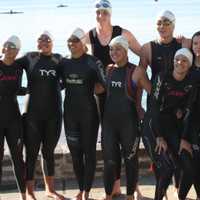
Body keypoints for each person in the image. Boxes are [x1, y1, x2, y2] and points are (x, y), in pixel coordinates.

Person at [84, 0, 142, 197]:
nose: (101, 16)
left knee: (129, 149)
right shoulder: (90, 35)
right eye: (98, 12)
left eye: (104, 12)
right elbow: (75, 51)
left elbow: (143, 53)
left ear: (110, 14)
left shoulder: (122, 33)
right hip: (103, 97)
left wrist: (137, 78)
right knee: (110, 149)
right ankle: (114, 189)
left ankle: (134, 191)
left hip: (125, 97)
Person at [139, 10, 191, 197]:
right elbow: (137, 74)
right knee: (163, 162)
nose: (162, 27)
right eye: (159, 23)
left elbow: (192, 67)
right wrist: (146, 99)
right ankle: (162, 193)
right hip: (157, 111)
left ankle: (177, 191)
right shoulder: (148, 48)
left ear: (174, 25)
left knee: (178, 159)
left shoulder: (183, 43)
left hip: (174, 113)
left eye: (167, 23)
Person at [142, 48, 195, 200]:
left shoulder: (191, 83)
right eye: (178, 59)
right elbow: (153, 106)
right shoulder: (162, 78)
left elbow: (188, 111)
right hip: (153, 125)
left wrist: (184, 138)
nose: (180, 62)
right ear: (173, 61)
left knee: (189, 167)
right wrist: (159, 137)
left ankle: (181, 197)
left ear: (189, 64)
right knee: (166, 168)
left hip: (171, 126)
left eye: (185, 60)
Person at [58, 28, 106, 200]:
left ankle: (86, 192)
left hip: (89, 115)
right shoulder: (63, 63)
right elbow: (58, 85)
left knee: (89, 153)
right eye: (69, 40)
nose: (72, 43)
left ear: (83, 43)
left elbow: (106, 84)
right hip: (70, 114)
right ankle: (81, 188)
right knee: (76, 155)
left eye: (76, 40)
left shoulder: (93, 62)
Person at [17, 31, 65, 200]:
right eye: (41, 39)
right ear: (36, 43)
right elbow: (7, 64)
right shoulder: (29, 58)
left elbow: (75, 71)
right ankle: (30, 192)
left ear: (53, 43)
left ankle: (49, 189)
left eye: (47, 39)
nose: (44, 41)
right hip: (32, 115)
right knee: (30, 153)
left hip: (54, 115)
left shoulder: (59, 59)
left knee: (48, 152)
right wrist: (20, 90)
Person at [102, 36, 151, 200]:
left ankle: (130, 196)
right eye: (111, 49)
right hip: (109, 124)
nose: (113, 52)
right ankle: (109, 196)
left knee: (131, 161)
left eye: (118, 49)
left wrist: (147, 113)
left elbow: (154, 94)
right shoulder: (108, 69)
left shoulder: (136, 71)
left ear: (126, 50)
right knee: (109, 162)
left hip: (129, 124)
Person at [0, 36, 26, 200]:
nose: (9, 48)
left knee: (18, 158)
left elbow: (17, 90)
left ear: (17, 51)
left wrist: (33, 90)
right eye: (7, 45)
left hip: (13, 118)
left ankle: (24, 196)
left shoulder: (18, 68)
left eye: (13, 47)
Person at [180, 31, 200, 200]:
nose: (198, 47)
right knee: (192, 165)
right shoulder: (188, 69)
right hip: (190, 125)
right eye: (195, 43)